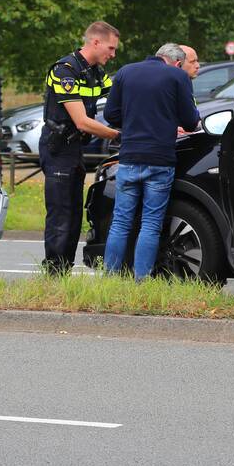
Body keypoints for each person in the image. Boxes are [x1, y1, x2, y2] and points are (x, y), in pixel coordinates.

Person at [102, 42, 200, 280]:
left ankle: (110, 278)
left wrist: (135, 120)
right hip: (160, 160)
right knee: (151, 224)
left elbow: (110, 115)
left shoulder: (126, 71)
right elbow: (190, 121)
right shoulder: (178, 76)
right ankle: (141, 279)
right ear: (177, 62)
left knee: (121, 222)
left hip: (129, 157)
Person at [39, 21, 121, 273]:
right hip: (58, 149)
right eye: (111, 47)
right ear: (95, 42)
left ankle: (64, 268)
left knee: (74, 213)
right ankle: (54, 271)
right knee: (61, 213)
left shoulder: (95, 72)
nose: (113, 54)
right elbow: (82, 121)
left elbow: (122, 94)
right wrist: (120, 134)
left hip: (75, 149)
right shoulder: (65, 70)